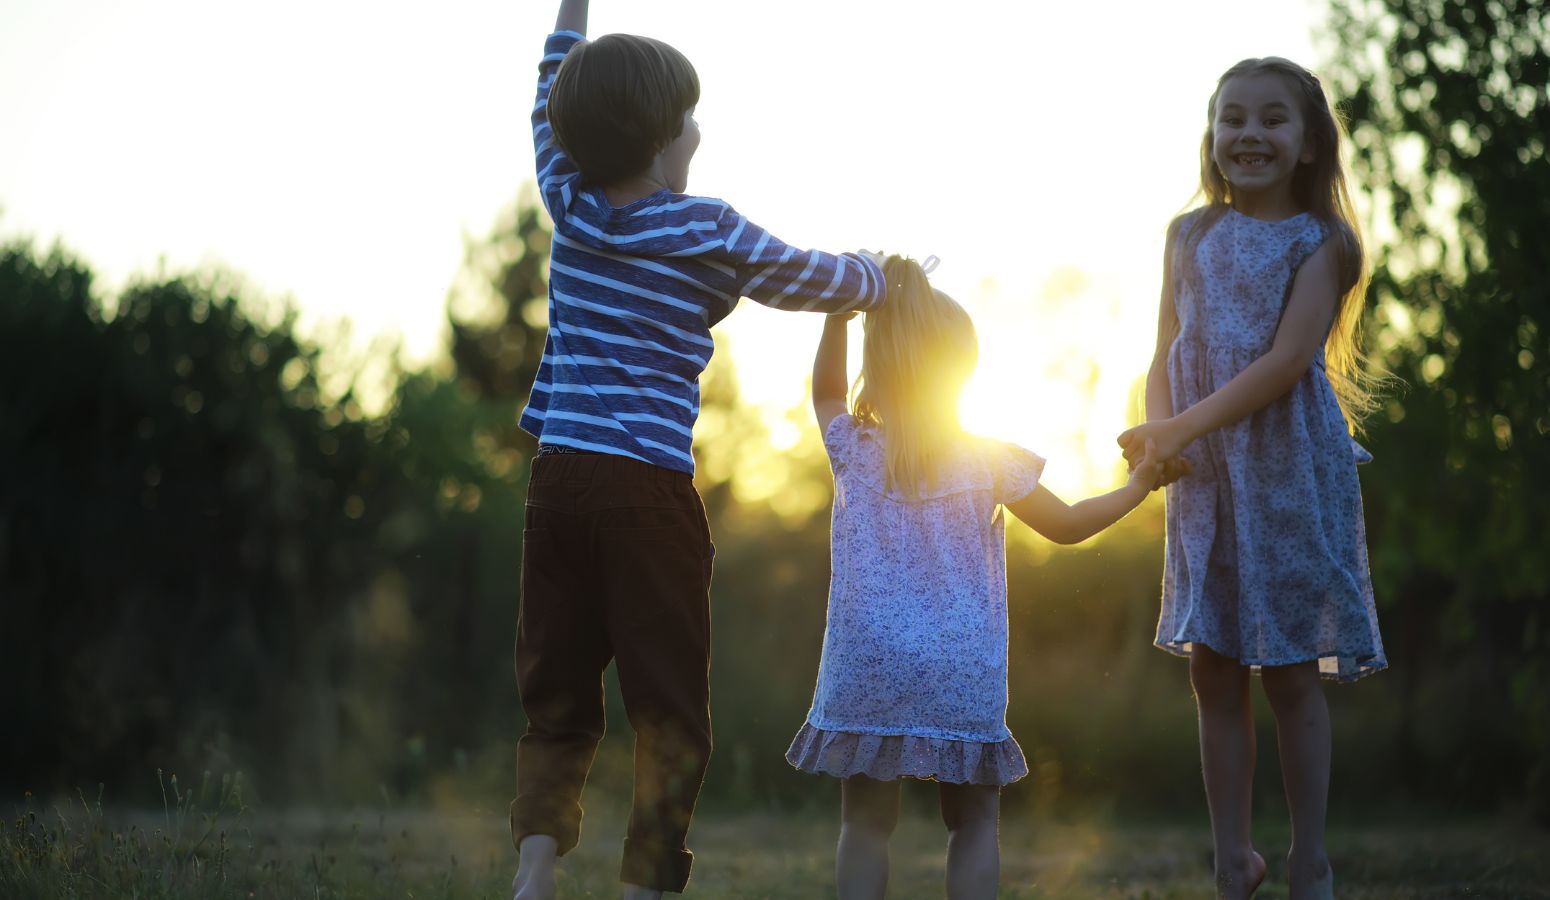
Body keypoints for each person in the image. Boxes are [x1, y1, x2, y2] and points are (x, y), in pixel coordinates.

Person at [511, 2, 887, 897]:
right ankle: (645, 884)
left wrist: (570, 14)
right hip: (646, 496)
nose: (700, 129)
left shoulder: (565, 198)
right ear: (661, 137)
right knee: (669, 709)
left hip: (556, 486)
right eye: (690, 117)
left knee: (557, 698)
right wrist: (877, 273)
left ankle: (533, 870)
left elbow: (542, 96)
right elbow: (811, 276)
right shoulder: (705, 225)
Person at [787, 255, 1160, 900]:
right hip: (960, 664)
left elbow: (823, 393)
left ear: (876, 368)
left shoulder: (854, 448)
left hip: (867, 660)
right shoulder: (990, 460)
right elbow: (1068, 525)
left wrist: (840, 310)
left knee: (866, 824)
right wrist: (1138, 486)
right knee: (974, 822)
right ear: (962, 368)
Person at [1116, 57, 1388, 900]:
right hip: (1204, 472)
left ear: (1308, 145)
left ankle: (1310, 859)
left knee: (1291, 669)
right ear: (1212, 134)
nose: (1249, 134)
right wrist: (1162, 438)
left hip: (1282, 467)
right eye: (1233, 117)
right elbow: (1166, 344)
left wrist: (1178, 426)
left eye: (1273, 119)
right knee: (1213, 665)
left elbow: (1285, 363)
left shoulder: (1323, 243)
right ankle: (1232, 860)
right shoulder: (1187, 235)